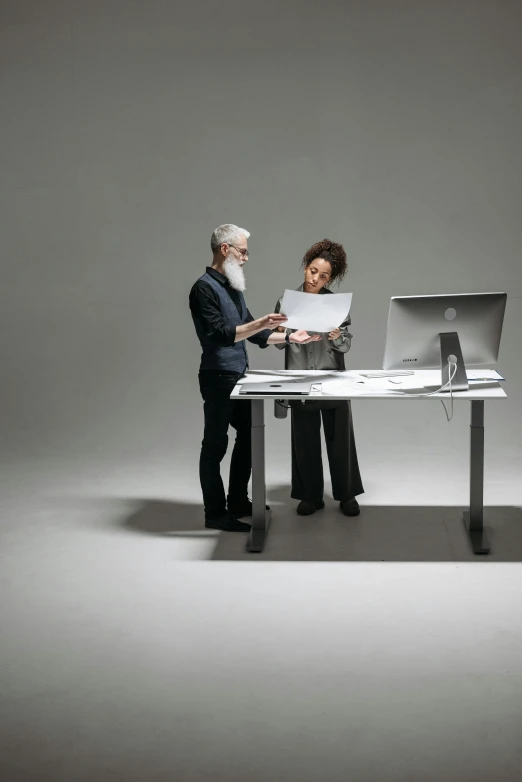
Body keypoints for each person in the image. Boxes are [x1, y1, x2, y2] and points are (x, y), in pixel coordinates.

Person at [189, 224, 320, 532]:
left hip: (238, 376)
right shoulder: (203, 288)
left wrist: (290, 338)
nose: (246, 258)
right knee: (215, 446)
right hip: (218, 377)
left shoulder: (232, 288)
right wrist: (260, 322)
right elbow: (221, 334)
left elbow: (254, 331)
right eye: (243, 251)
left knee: (249, 435)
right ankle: (215, 513)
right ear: (225, 250)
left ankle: (237, 501)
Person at [274, 238, 364, 517]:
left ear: (330, 278)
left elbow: (347, 344)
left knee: (341, 441)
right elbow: (275, 342)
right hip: (300, 381)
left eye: (324, 275)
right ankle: (310, 496)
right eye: (313, 271)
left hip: (333, 381)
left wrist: (338, 336)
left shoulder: (336, 305)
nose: (316, 278)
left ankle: (347, 495)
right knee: (304, 441)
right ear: (305, 267)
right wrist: (289, 332)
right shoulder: (286, 302)